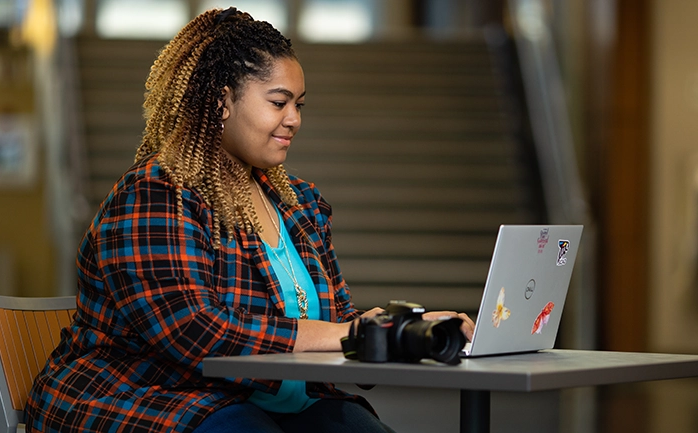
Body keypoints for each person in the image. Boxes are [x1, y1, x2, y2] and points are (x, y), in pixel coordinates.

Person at [24, 8, 475, 433]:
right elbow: (195, 331)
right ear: (222, 101)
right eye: (278, 102)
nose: (294, 119)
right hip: (154, 398)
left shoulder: (300, 203)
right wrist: (347, 333)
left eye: (299, 104)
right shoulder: (158, 192)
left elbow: (336, 324)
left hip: (277, 405)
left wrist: (406, 332)